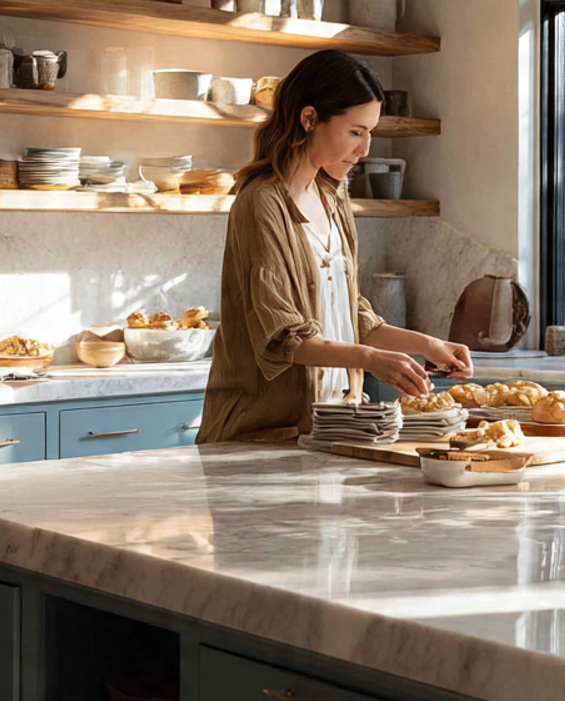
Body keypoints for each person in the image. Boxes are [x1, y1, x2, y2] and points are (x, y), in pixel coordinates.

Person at [198, 50, 473, 444]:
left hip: (334, 427)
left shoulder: (333, 197)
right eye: (355, 131)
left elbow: (347, 313)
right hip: (263, 436)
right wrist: (370, 360)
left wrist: (427, 345)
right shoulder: (261, 202)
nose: (365, 151)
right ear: (309, 118)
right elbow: (283, 337)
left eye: (370, 133)